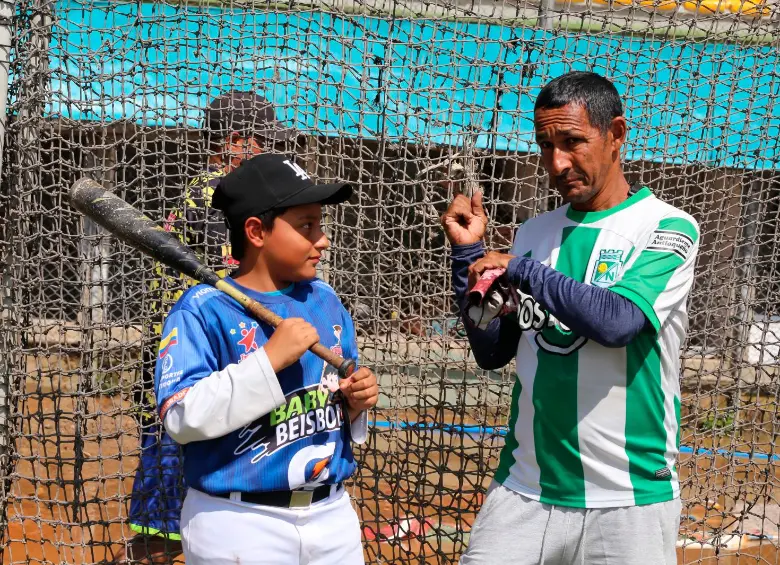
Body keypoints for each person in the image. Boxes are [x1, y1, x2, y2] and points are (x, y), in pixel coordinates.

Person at [441, 71, 699, 564]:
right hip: (525, 490)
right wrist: (468, 253)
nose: (557, 163)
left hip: (628, 502)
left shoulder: (666, 227)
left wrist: (520, 268)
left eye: (573, 142)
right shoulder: (535, 232)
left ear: (617, 134)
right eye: (545, 145)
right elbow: (493, 350)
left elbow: (617, 322)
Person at [154, 153, 378, 565]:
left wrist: (355, 400)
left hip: (332, 514)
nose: (322, 239)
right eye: (307, 226)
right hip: (238, 521)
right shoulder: (203, 309)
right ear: (256, 231)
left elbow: (335, 401)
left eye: (320, 225)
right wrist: (268, 361)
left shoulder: (325, 300)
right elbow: (181, 418)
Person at [117, 91, 300, 564]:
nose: (268, 153)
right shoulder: (216, 194)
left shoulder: (219, 192)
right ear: (235, 142)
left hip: (204, 368)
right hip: (186, 370)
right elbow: (234, 285)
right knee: (162, 526)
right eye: (262, 142)